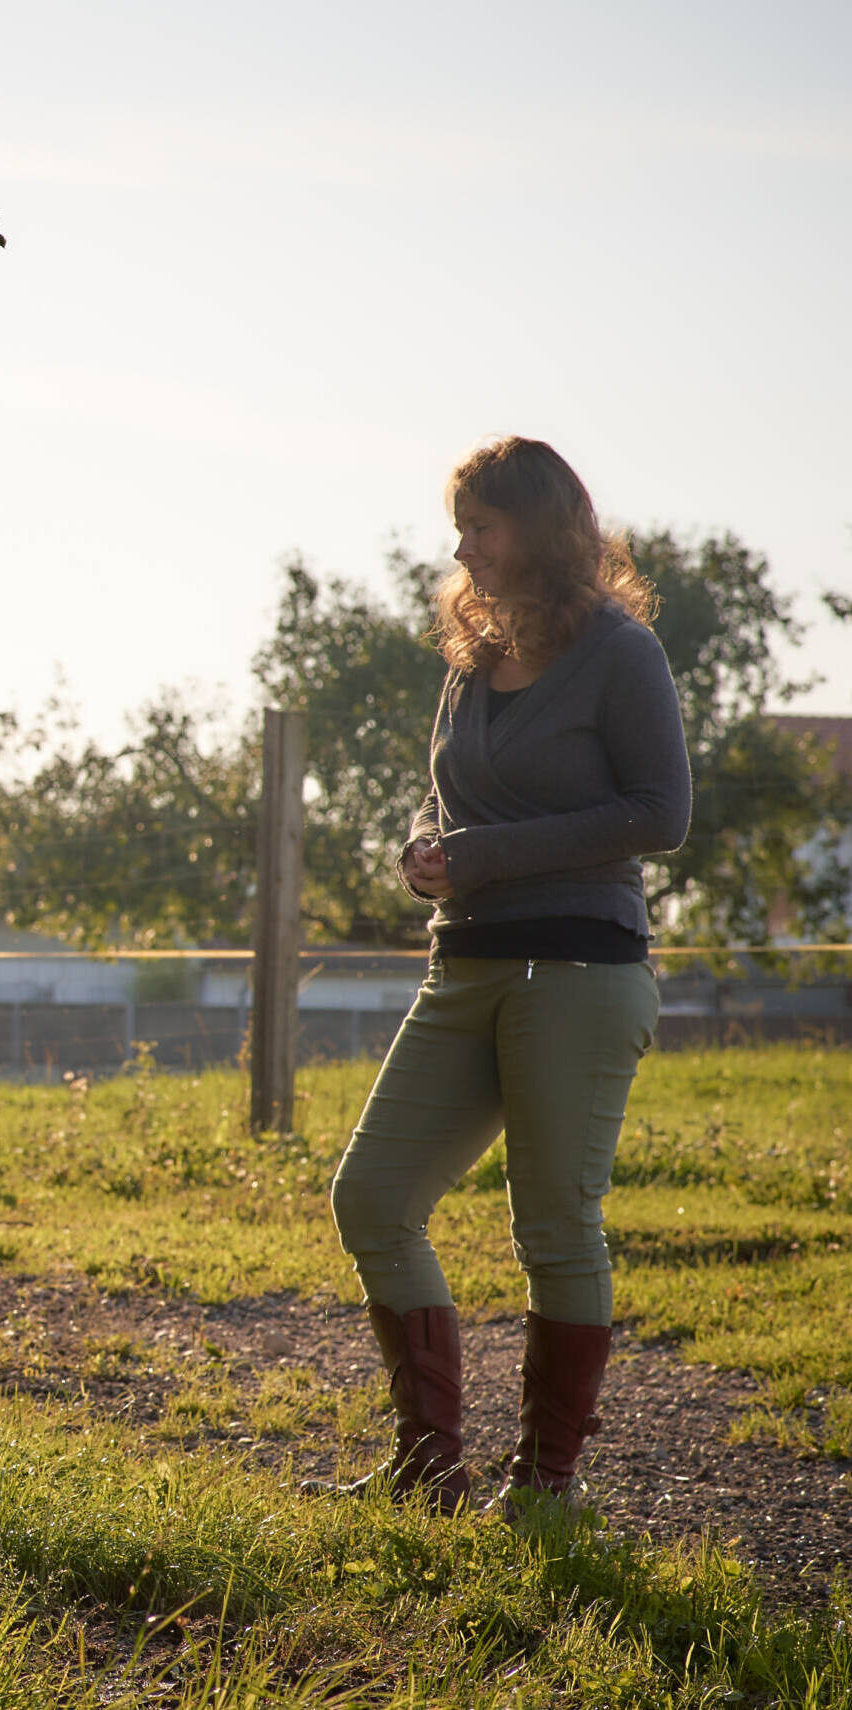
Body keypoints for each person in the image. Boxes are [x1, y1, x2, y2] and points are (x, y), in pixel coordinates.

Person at [326, 436, 691, 1514]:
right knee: (372, 1197)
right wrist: (422, 851)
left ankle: (542, 1489)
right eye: (460, 524)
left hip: (577, 967)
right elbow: (442, 803)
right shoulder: (471, 662)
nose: (462, 545)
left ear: (538, 530)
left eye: (480, 523)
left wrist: (483, 853)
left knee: (552, 1228)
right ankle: (430, 1468)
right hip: (466, 963)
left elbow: (659, 816)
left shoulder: (620, 654)